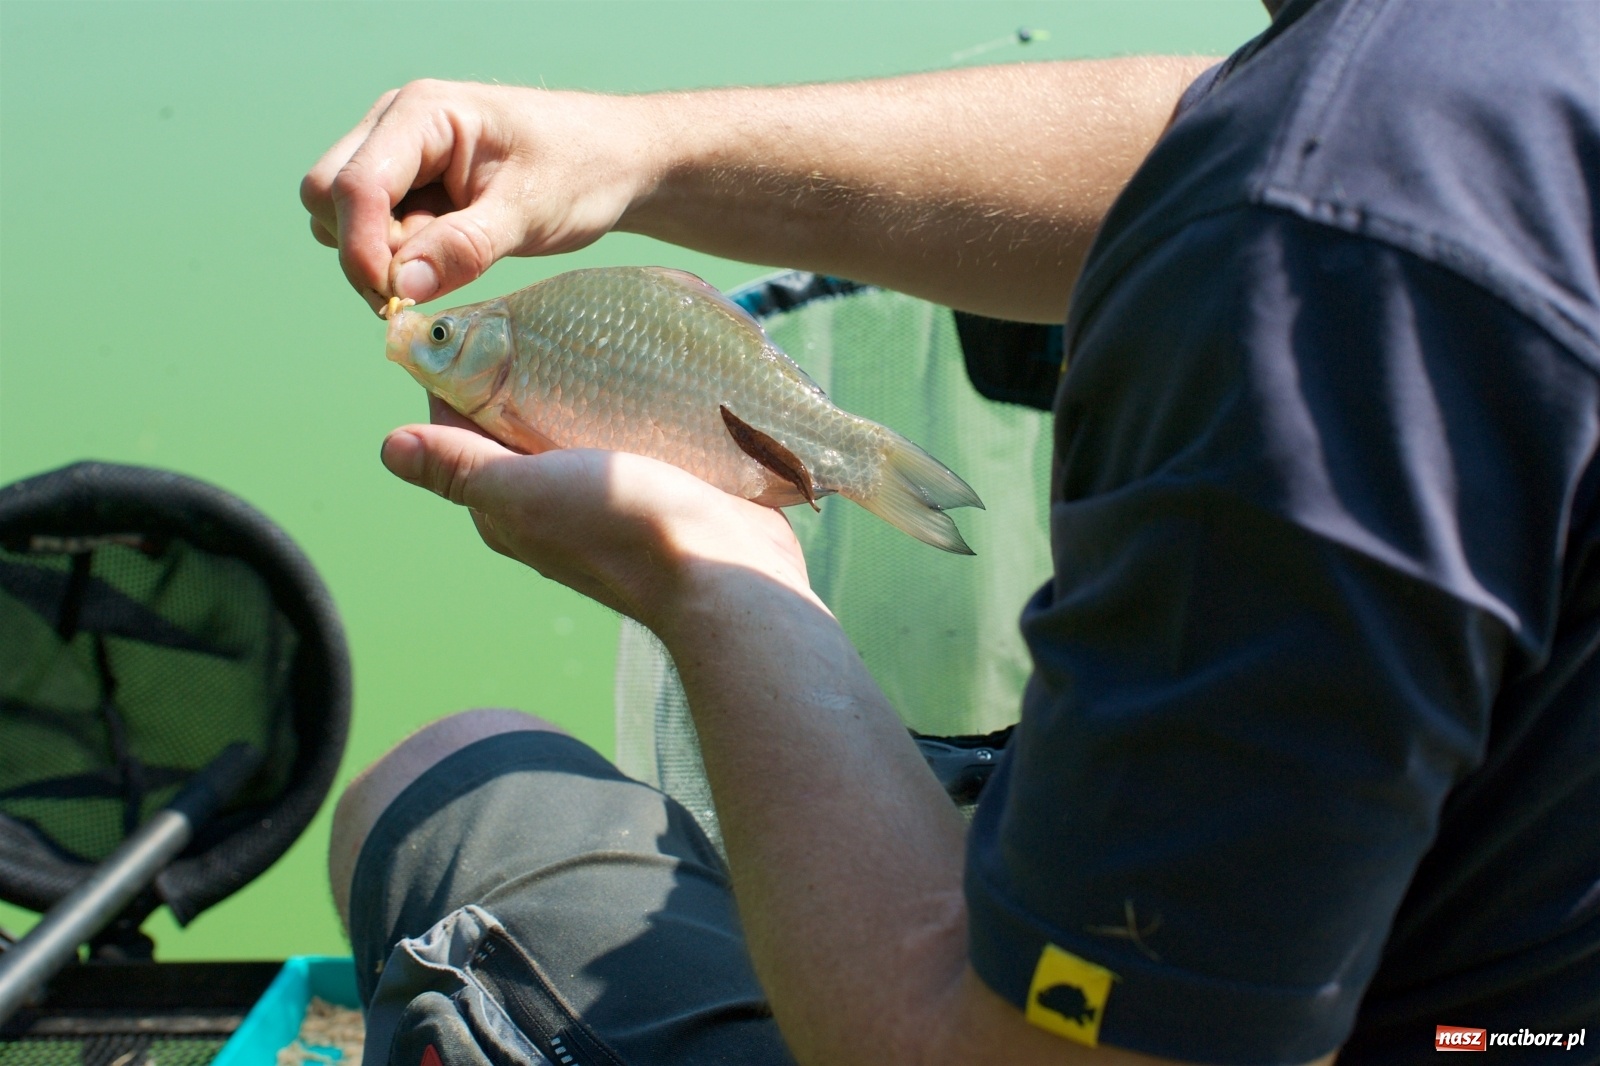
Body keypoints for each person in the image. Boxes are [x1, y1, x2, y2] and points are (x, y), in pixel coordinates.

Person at [302, 1, 1600, 1063]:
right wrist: (636, 155)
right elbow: (1237, 130)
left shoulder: (1308, 268)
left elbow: (1290, 187)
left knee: (441, 788)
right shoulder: (1491, 88)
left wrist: (718, 576)